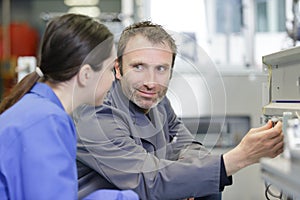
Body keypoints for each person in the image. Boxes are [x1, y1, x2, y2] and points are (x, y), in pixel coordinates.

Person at [74, 21, 284, 200]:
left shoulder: (158, 103)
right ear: (118, 69)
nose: (150, 82)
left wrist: (183, 181)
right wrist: (239, 157)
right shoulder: (97, 114)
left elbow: (187, 144)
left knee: (205, 188)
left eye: (161, 69)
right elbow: (148, 181)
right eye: (138, 67)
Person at [0, 13, 139, 200]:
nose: (114, 78)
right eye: (110, 70)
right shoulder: (46, 121)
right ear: (86, 75)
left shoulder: (38, 110)